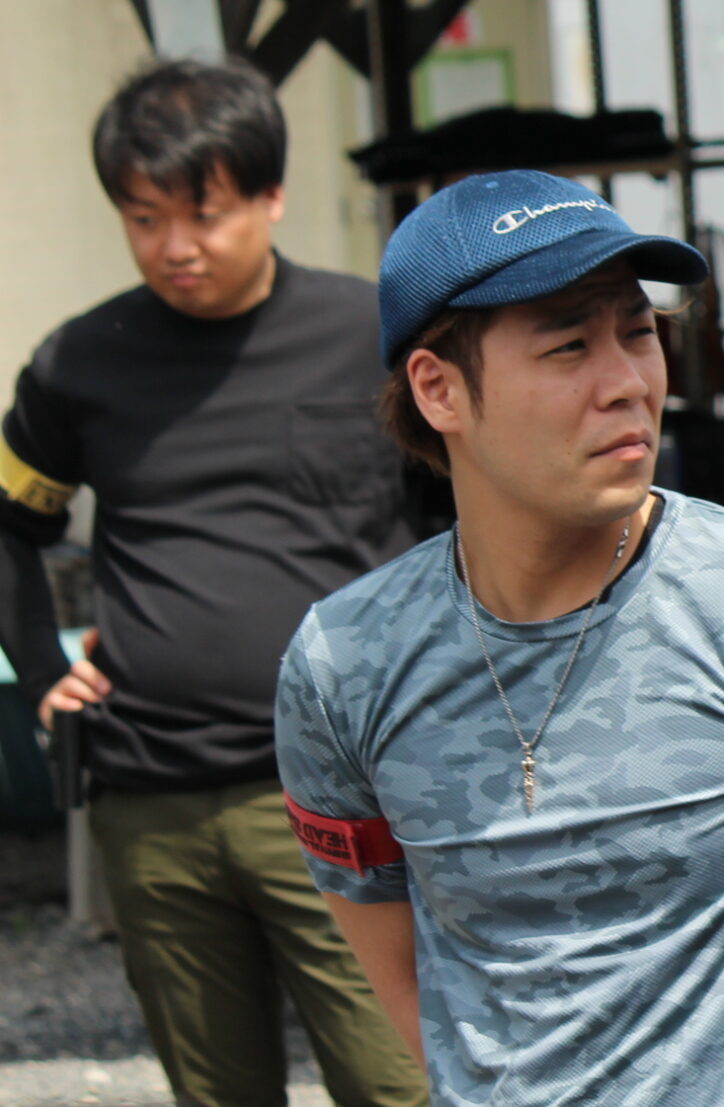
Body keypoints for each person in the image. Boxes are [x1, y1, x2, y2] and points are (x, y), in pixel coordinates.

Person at [270, 170, 724, 1107]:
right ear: (439, 390)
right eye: (569, 345)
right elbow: (406, 972)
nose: (628, 383)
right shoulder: (345, 665)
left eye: (638, 333)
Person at [0, 58, 428, 1107]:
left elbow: (473, 518)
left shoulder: (376, 339)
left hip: (350, 791)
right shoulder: (78, 363)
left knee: (404, 1084)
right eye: (143, 219)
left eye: (204, 214)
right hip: (152, 803)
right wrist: (40, 670)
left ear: (271, 196)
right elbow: (9, 526)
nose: (175, 247)